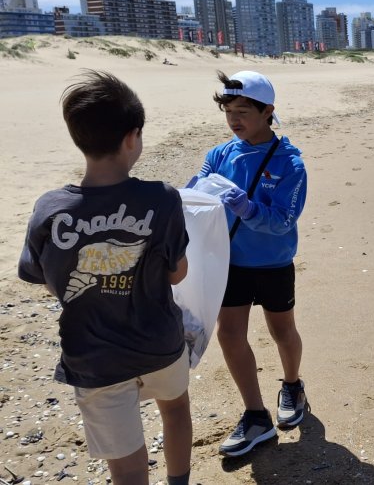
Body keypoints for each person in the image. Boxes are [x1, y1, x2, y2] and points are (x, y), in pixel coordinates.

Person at [18, 70, 192, 485]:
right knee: (175, 409)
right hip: (159, 343)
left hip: (93, 356)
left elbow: (48, 280)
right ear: (132, 138)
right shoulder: (162, 199)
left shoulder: (50, 209)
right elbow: (177, 274)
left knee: (126, 464)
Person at [189, 70, 309, 457]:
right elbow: (197, 193)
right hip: (230, 261)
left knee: (282, 330)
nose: (234, 120)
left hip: (273, 263)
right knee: (229, 334)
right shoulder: (219, 155)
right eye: (228, 111)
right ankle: (256, 416)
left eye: (242, 111)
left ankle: (292, 385)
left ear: (267, 111)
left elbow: (284, 220)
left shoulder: (290, 164)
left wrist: (248, 208)